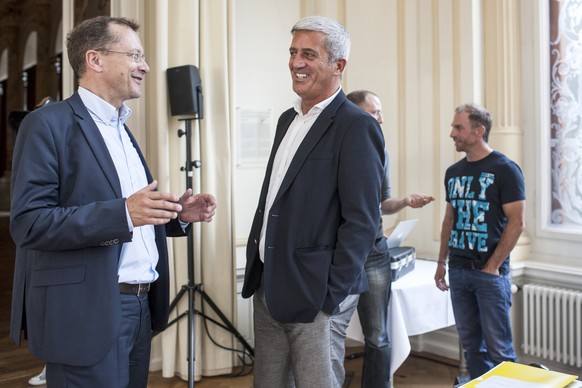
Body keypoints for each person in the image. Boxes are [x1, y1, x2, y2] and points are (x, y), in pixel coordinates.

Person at [9, 16, 217, 387]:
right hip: (86, 312)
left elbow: (128, 218)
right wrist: (123, 212)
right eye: (135, 55)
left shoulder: (123, 131)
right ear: (95, 60)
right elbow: (29, 223)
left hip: (140, 308)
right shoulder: (47, 125)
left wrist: (174, 216)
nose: (145, 66)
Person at [241, 16, 385, 388]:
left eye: (308, 54)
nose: (296, 62)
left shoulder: (356, 126)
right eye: (292, 53)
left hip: (316, 294)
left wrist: (330, 296)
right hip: (268, 284)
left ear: (338, 66)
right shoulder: (287, 119)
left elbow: (362, 222)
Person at [347, 90, 434, 388]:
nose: (382, 119)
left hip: (374, 254)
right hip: (338, 253)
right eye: (375, 112)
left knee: (378, 335)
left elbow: (382, 205)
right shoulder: (334, 149)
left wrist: (407, 201)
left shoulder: (381, 150)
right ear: (355, 114)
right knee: (325, 329)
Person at [434, 103, 525, 379]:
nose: (452, 133)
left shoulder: (506, 169)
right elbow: (449, 219)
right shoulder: (453, 172)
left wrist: (493, 266)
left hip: (490, 273)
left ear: (479, 130)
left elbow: (517, 223)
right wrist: (441, 262)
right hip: (459, 272)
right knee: (473, 348)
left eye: (458, 127)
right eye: (453, 127)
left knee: (500, 351)